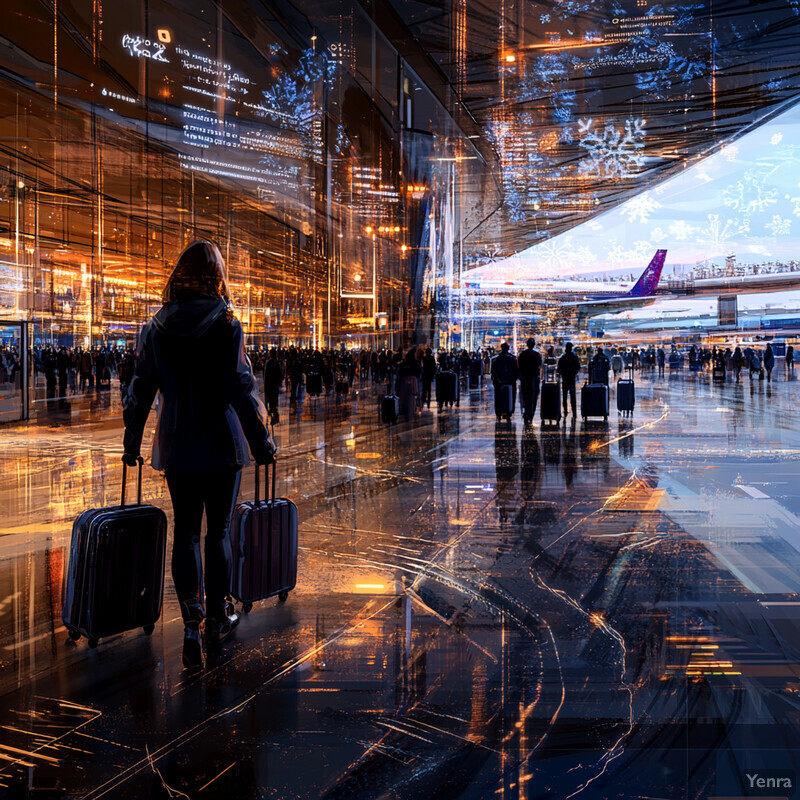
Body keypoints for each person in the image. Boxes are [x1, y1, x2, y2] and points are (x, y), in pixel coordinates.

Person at [122, 241, 276, 668]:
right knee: (218, 532)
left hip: (176, 444)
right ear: (217, 275)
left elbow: (140, 390)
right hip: (221, 444)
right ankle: (216, 616)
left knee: (186, 530)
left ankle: (190, 618)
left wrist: (131, 440)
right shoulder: (226, 323)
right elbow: (240, 389)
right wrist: (262, 442)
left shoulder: (156, 326)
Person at [517, 338, 542, 424]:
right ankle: (531, 414)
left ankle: (526, 412)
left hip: (525, 378)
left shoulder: (522, 354)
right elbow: (539, 365)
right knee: (533, 397)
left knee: (525, 396)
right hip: (534, 378)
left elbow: (519, 366)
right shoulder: (537, 355)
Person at [491, 342, 519, 417]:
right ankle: (509, 410)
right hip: (510, 381)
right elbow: (516, 371)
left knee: (498, 397)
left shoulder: (496, 359)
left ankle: (498, 411)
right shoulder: (513, 358)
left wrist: (494, 379)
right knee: (511, 396)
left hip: (499, 381)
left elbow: (493, 371)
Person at [557, 342, 581, 417]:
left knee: (564, 395)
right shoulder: (574, 357)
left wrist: (563, 374)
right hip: (571, 378)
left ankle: (565, 411)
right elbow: (578, 366)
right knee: (572, 395)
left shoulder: (562, 357)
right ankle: (574, 412)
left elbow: (559, 368)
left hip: (565, 378)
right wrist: (573, 373)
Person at [263, 348, 283, 423]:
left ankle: (273, 410)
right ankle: (274, 411)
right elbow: (279, 374)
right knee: (274, 398)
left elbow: (266, 376)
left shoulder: (269, 363)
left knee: (271, 398)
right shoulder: (277, 363)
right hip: (275, 385)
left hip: (270, 384)